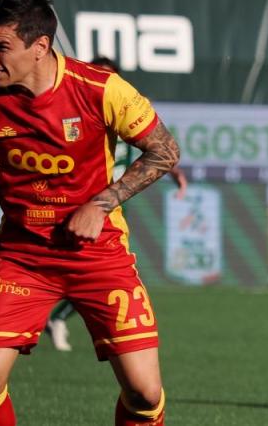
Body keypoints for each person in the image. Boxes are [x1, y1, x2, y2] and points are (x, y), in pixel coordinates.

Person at [0, 0, 181, 425]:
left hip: (99, 253)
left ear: (40, 47)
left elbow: (165, 152)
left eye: (1, 46)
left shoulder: (101, 89)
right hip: (23, 257)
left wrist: (101, 204)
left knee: (145, 393)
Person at [44, 56, 188, 354]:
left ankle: (58, 318)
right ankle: (54, 317)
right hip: (82, 200)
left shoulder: (122, 106)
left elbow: (157, 148)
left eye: (110, 77)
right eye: (98, 75)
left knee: (92, 270)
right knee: (87, 270)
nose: (104, 82)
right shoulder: (74, 108)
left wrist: (175, 173)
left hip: (115, 198)